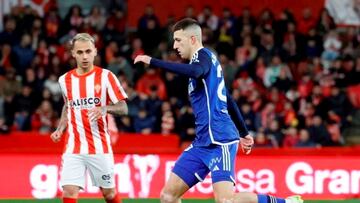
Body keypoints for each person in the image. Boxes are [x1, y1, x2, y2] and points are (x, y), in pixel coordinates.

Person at [134, 18, 303, 203]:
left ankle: (286, 202)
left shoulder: (203, 56)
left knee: (225, 200)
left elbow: (196, 71)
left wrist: (153, 61)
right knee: (168, 197)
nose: (175, 45)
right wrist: (244, 133)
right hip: (202, 142)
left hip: (220, 139)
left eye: (178, 40)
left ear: (192, 39)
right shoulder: (206, 65)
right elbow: (228, 99)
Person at [51, 33, 128, 203]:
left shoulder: (107, 76)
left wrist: (105, 108)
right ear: (73, 53)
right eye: (80, 52)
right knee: (69, 192)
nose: (84, 56)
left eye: (88, 51)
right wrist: (60, 128)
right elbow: (67, 105)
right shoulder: (64, 80)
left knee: (108, 194)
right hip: (73, 147)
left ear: (95, 51)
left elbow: (123, 108)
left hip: (99, 146)